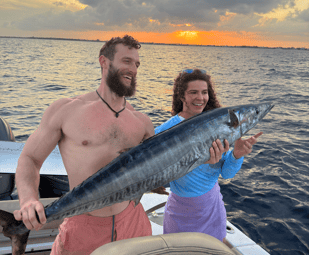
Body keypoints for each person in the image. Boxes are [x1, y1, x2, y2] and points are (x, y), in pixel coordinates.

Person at [13, 35, 154, 254]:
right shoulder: (67, 110)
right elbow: (30, 159)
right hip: (83, 225)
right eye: (126, 61)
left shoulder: (143, 122)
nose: (133, 69)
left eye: (137, 64)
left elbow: (160, 171)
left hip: (133, 221)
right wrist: (29, 200)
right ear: (104, 62)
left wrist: (210, 157)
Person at [155, 69, 262, 244]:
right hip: (181, 211)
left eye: (204, 92)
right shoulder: (166, 130)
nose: (200, 98)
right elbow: (153, 170)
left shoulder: (218, 125)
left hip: (212, 208)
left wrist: (237, 154)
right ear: (182, 96)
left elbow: (226, 174)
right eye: (193, 92)